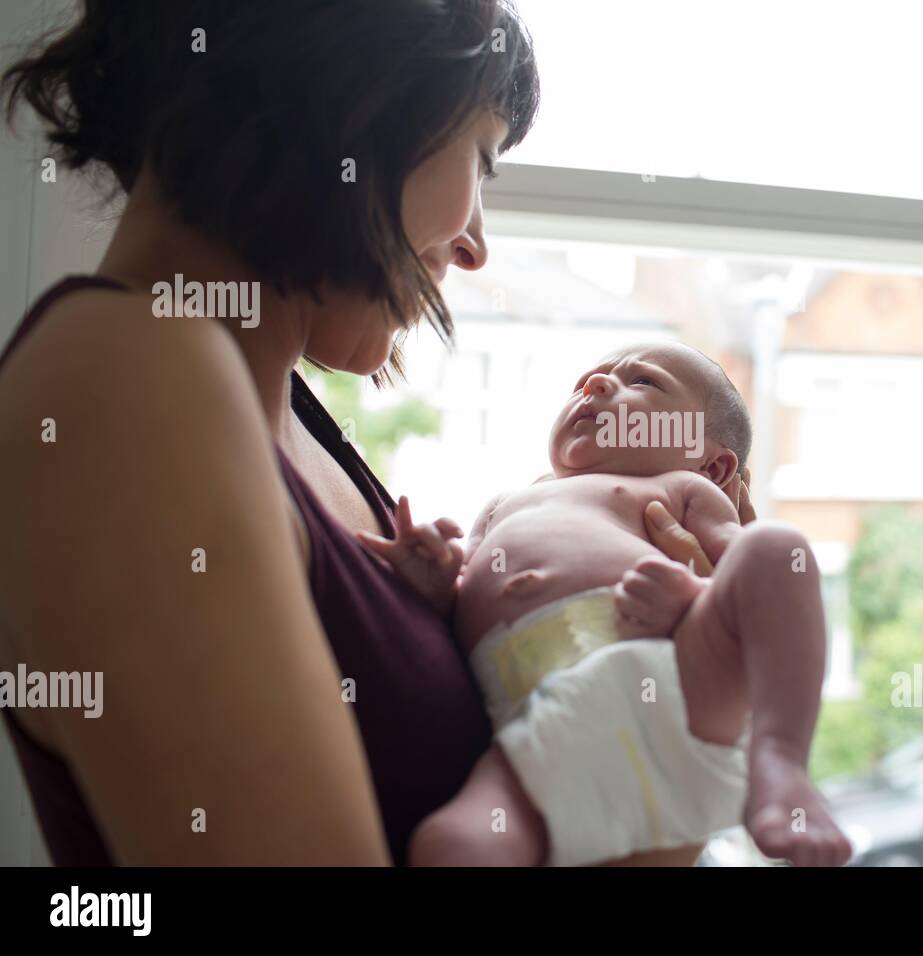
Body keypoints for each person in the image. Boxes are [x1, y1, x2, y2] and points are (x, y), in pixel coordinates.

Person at [0, 0, 737, 866]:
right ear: (360, 91)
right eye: (482, 159)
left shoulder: (277, 409)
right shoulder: (129, 377)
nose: (472, 248)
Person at [363, 342, 851, 866]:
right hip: (541, 733)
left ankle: (779, 762)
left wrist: (696, 599)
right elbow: (462, 595)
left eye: (642, 381)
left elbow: (745, 586)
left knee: (776, 549)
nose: (594, 386)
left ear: (712, 465)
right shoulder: (505, 503)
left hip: (675, 679)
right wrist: (434, 584)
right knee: (451, 844)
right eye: (586, 379)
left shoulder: (681, 489)